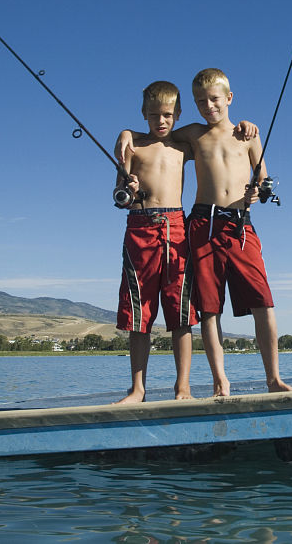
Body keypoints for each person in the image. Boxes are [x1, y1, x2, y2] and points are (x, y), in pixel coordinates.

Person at [117, 68, 292, 397]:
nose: (208, 106)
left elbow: (263, 179)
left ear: (229, 98)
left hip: (240, 225)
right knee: (209, 308)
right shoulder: (193, 134)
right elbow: (157, 136)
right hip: (202, 222)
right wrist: (126, 132)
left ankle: (274, 379)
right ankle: (220, 382)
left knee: (263, 302)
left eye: (214, 99)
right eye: (201, 101)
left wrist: (258, 192)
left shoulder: (249, 134)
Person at [113, 80, 196, 404]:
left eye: (166, 115)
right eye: (152, 115)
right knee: (139, 314)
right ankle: (137, 389)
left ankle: (183, 388)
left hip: (176, 228)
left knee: (181, 313)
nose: (160, 121)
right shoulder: (132, 148)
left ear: (176, 114)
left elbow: (210, 132)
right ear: (143, 114)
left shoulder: (182, 146)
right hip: (140, 228)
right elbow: (118, 197)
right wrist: (128, 190)